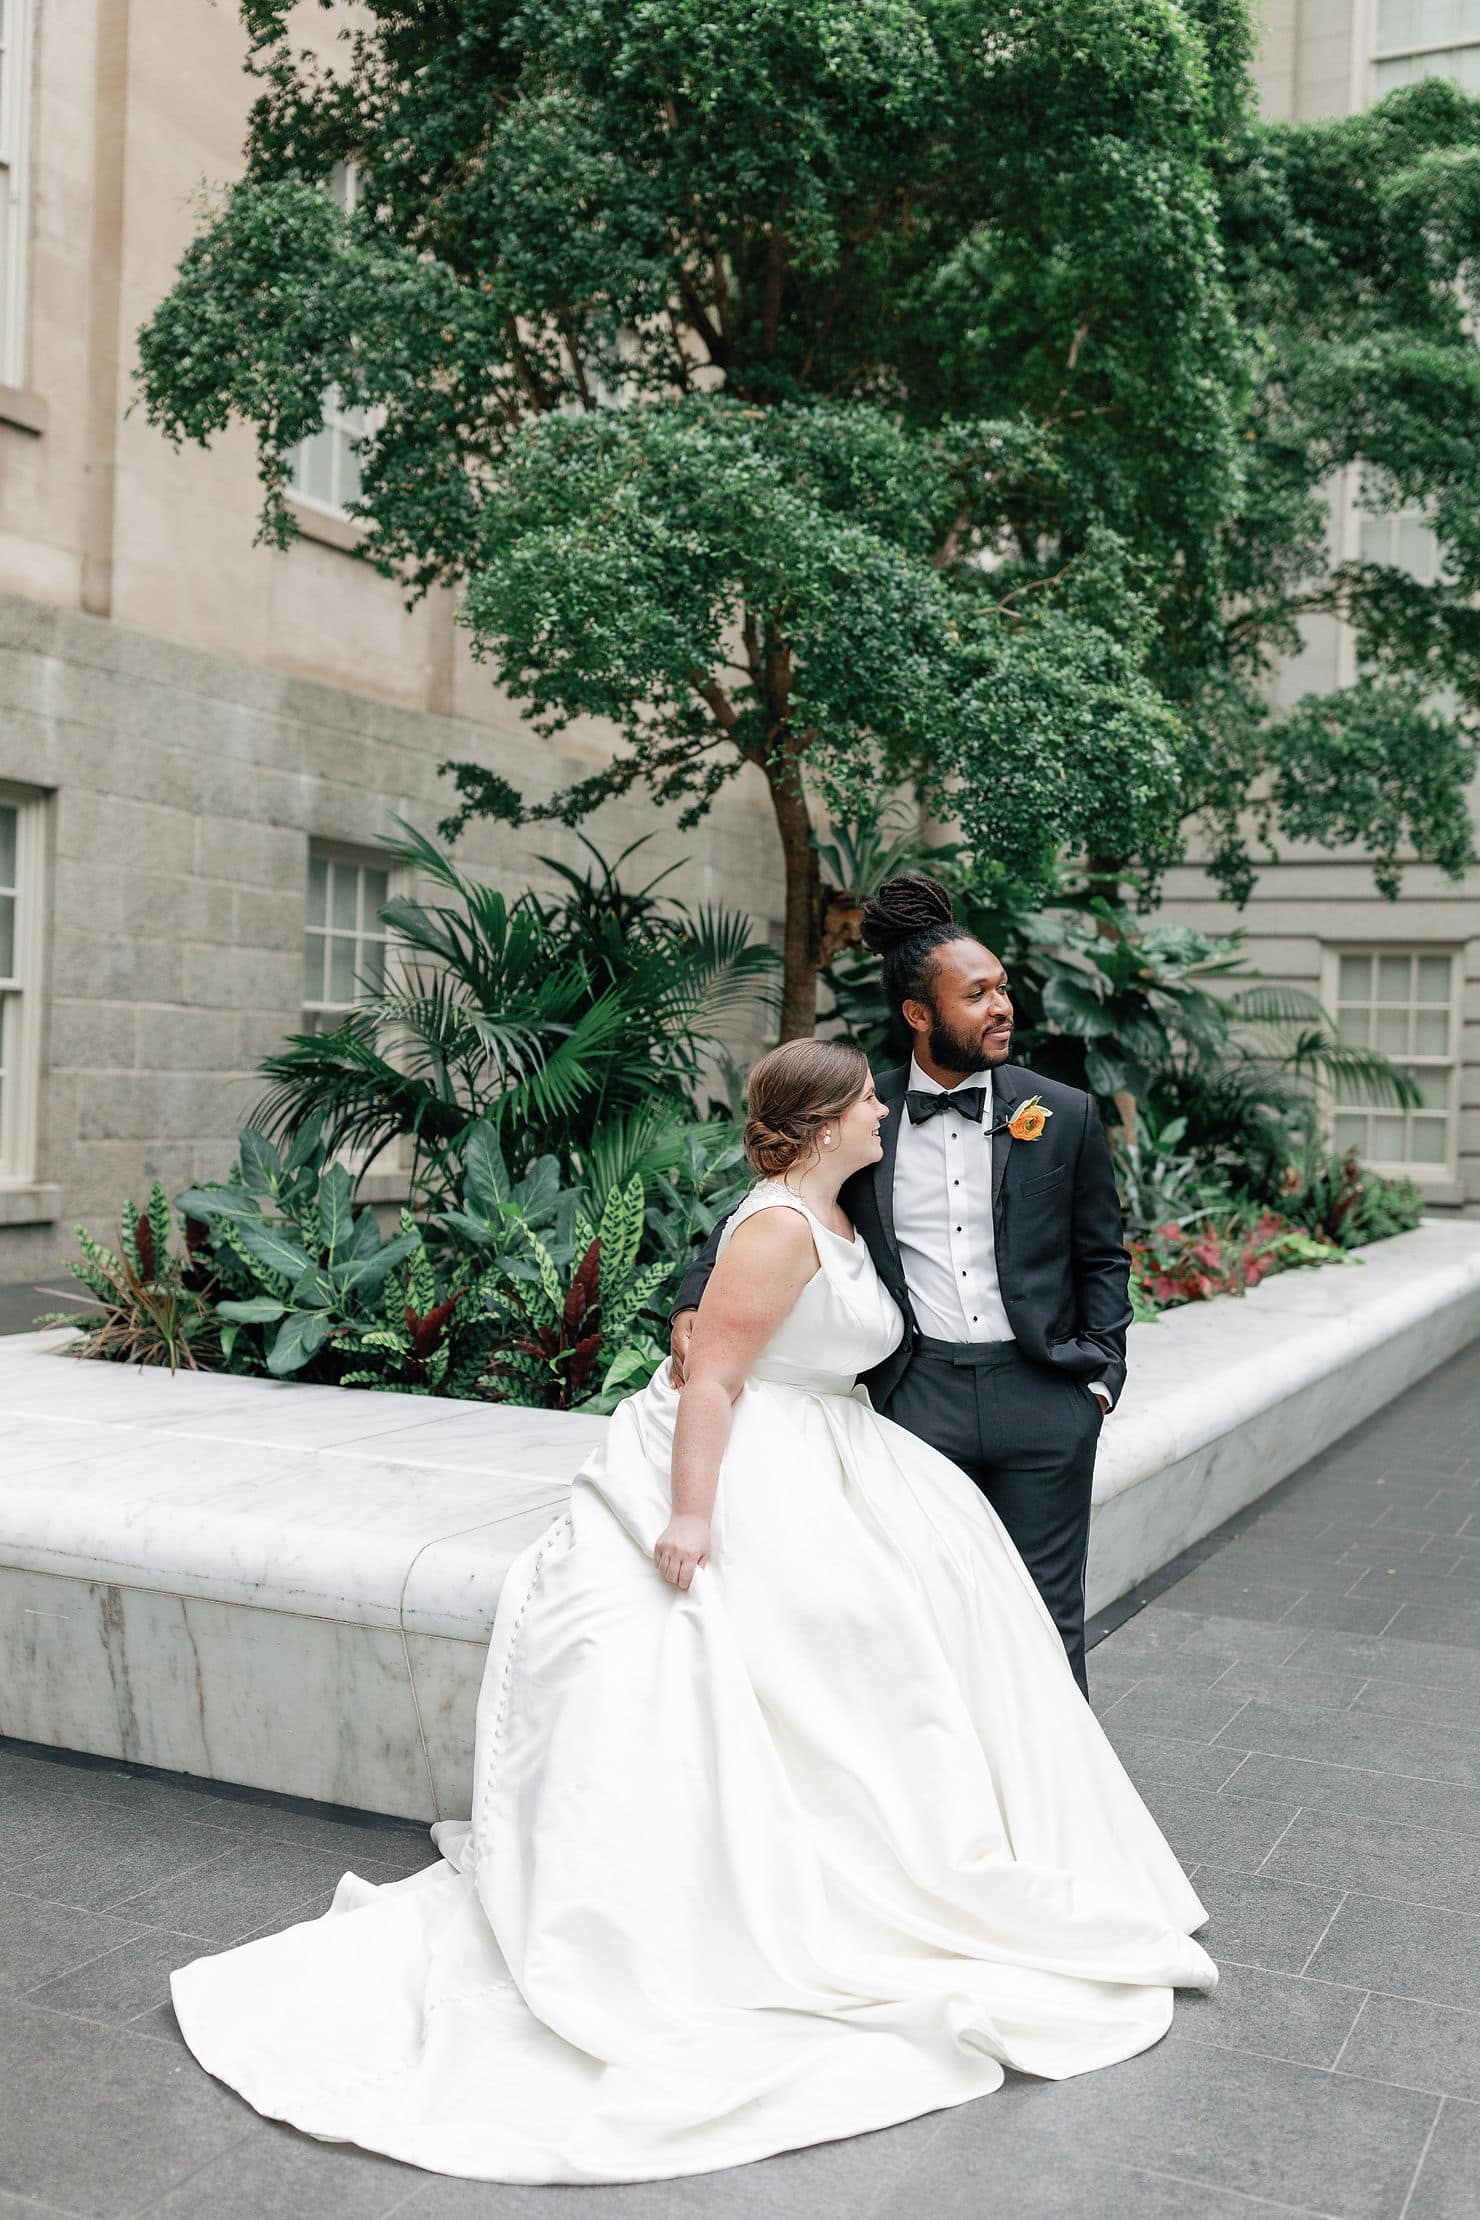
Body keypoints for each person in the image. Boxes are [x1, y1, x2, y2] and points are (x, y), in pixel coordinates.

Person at [169, 1031, 1214, 2187]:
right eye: (867, 1102)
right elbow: (714, 1376)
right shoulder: (774, 1228)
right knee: (827, 1638)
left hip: (843, 1451)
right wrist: (691, 1517)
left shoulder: (834, 1213)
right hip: (755, 1457)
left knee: (906, 1640)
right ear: (822, 1124)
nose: (884, 1112)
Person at [673, 872, 1129, 1694]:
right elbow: (766, 1207)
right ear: (920, 1015)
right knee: (921, 1615)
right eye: (978, 994)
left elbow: (1102, 1256)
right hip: (916, 1403)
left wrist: (1098, 1379)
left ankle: (1057, 1812)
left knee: (1048, 1613)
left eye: (1003, 988)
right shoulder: (862, 1115)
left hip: (1042, 1393)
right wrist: (689, 1300)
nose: (1002, 1007)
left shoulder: (1063, 1114)